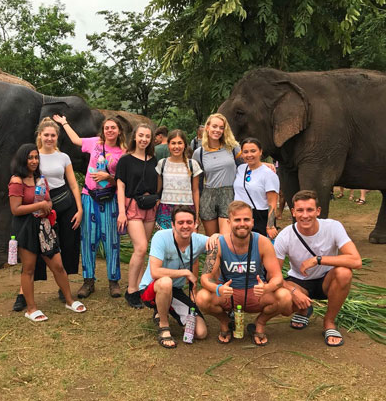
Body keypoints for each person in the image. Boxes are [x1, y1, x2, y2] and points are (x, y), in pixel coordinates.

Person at [12, 117, 83, 311]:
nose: (49, 138)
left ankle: (64, 288)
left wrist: (80, 208)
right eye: (46, 135)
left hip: (63, 203)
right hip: (39, 205)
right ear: (40, 136)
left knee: (67, 246)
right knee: (34, 249)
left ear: (57, 137)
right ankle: (22, 293)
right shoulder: (33, 156)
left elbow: (73, 184)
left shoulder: (63, 157)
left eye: (53, 135)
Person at [196, 201, 292, 345]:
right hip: (228, 294)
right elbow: (205, 278)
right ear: (229, 222)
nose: (242, 224)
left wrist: (267, 288)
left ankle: (260, 323)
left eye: (246, 219)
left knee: (285, 297)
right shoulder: (218, 244)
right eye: (237, 220)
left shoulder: (263, 242)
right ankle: (225, 322)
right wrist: (218, 288)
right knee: (202, 298)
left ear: (252, 222)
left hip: (256, 293)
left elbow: (277, 277)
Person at [274, 190, 362, 346]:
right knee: (284, 303)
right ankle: (304, 310)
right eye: (300, 210)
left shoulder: (333, 227)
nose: (305, 215)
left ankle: (329, 322)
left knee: (344, 272)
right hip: (298, 282)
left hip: (326, 280)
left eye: (310, 210)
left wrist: (318, 260)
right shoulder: (285, 236)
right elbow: (273, 275)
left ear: (318, 211)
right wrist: (293, 292)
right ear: (293, 212)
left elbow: (356, 261)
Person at [52, 114, 126, 299]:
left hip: (110, 198)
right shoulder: (95, 143)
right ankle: (88, 281)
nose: (110, 131)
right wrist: (64, 123)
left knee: (111, 240)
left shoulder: (123, 152)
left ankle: (113, 281)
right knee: (88, 239)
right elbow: (76, 140)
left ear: (119, 131)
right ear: (103, 130)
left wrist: (108, 177)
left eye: (113, 128)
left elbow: (124, 181)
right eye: (107, 128)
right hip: (89, 197)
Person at [140, 206, 219, 348]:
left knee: (200, 332)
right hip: (151, 288)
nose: (185, 226)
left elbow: (224, 242)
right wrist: (186, 273)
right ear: (172, 224)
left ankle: (162, 309)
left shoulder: (198, 240)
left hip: (174, 290)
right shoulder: (161, 237)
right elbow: (155, 272)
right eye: (180, 222)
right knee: (165, 282)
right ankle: (164, 326)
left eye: (189, 222)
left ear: (195, 224)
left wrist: (216, 236)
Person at [116, 123, 158, 308]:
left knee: (143, 249)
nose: (143, 139)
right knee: (140, 248)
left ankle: (141, 287)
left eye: (147, 136)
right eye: (141, 135)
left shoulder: (154, 160)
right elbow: (120, 186)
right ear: (134, 136)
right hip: (132, 206)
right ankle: (131, 290)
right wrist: (121, 212)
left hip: (149, 207)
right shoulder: (125, 160)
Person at [192, 113, 242, 236]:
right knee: (213, 240)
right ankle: (214, 256)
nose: (218, 130)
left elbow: (247, 164)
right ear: (207, 127)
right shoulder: (199, 153)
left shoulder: (233, 147)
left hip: (228, 194)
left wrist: (264, 165)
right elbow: (196, 183)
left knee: (225, 238)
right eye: (215, 126)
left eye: (221, 127)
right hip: (208, 196)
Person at [155, 130, 202, 229]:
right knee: (168, 242)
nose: (176, 147)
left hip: (187, 207)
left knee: (188, 241)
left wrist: (197, 214)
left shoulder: (192, 164)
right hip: (166, 208)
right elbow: (158, 189)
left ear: (185, 145)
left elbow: (195, 190)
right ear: (168, 145)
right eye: (173, 143)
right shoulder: (162, 164)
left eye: (180, 143)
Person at [233, 138, 279, 239]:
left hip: (259, 216)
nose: (249, 155)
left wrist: (270, 226)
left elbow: (272, 202)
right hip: (239, 215)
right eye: (245, 152)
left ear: (260, 152)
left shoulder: (268, 174)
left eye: (253, 151)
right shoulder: (240, 169)